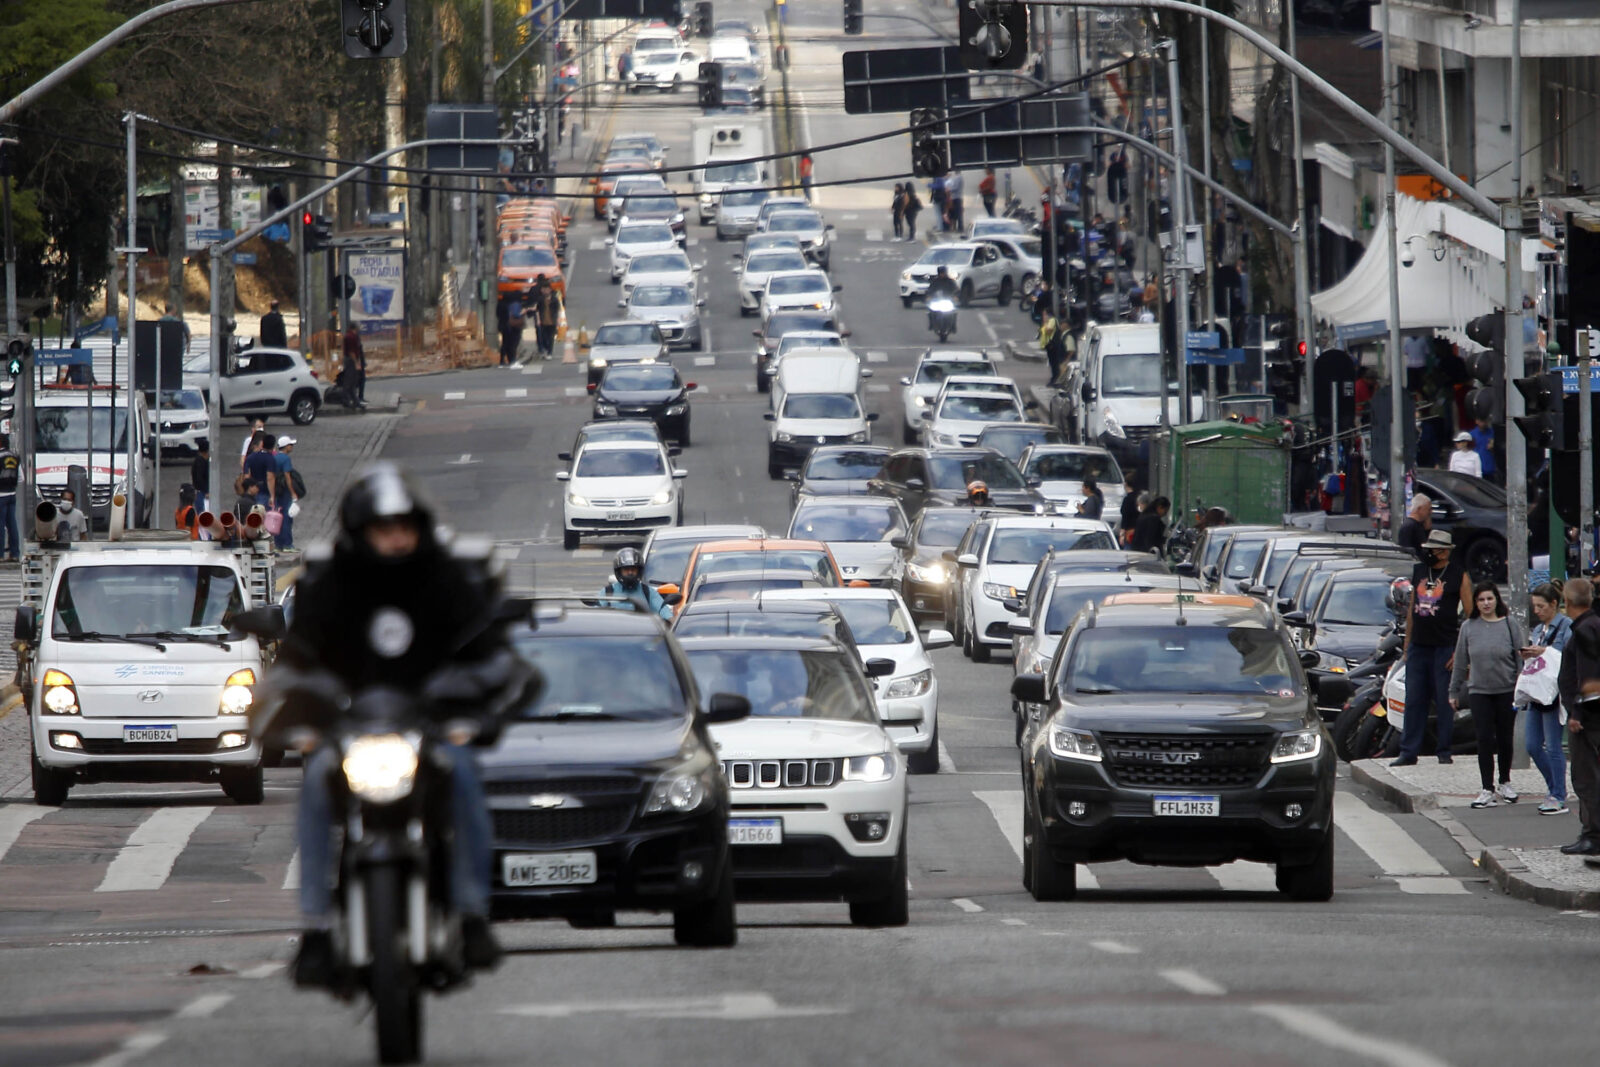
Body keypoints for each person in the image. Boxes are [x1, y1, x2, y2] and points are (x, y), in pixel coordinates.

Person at [280, 464, 522, 985]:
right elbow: (297, 660)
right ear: (360, 532)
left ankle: (473, 913)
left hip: (428, 727)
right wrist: (290, 709)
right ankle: (316, 926)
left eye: (405, 527)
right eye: (384, 529)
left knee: (463, 777)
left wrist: (473, 699)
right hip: (352, 729)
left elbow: (485, 650)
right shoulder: (332, 583)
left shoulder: (444, 578)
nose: (396, 539)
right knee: (317, 787)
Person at [1393, 529, 1473, 767]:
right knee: (1414, 699)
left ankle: (1444, 751)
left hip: (1444, 648)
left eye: (1433, 549)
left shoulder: (1459, 575)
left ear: (1445, 552)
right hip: (1419, 646)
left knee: (1445, 700)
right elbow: (1411, 611)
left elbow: (1470, 616)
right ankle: (1408, 751)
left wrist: (1461, 654)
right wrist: (1407, 646)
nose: (1428, 553)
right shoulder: (1419, 571)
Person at [1449, 582, 1527, 807]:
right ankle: (1487, 788)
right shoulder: (1468, 627)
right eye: (1481, 600)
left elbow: (1519, 657)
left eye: (1490, 599)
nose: (1486, 604)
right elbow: (1461, 662)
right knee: (1483, 738)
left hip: (1506, 690)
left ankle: (1505, 782)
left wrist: (1521, 687)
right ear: (1475, 603)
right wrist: (1453, 691)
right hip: (1479, 691)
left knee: (1504, 737)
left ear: (1497, 600)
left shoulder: (1509, 624)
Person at [1522, 583, 1574, 815]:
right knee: (1532, 744)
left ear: (1554, 604)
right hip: (1537, 690)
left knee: (1553, 745)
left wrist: (1543, 652)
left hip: (1554, 691)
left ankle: (1558, 794)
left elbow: (1568, 656)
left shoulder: (1566, 626)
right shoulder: (1537, 630)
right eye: (1535, 607)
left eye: (1541, 606)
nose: (1537, 611)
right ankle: (1553, 788)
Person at [1558, 578, 1600, 855]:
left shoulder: (1586, 630)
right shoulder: (1592, 625)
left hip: (1589, 719)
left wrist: (1576, 713)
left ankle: (1593, 835)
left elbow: (1587, 678)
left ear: (1568, 602)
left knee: (1586, 777)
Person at [599, 547, 672, 620]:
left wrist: (671, 622)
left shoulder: (648, 592)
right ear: (619, 571)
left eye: (633, 569)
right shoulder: (607, 592)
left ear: (639, 571)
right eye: (626, 569)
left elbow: (665, 614)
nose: (630, 572)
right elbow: (596, 616)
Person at [273, 436, 301, 550]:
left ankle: (278, 543)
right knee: (286, 517)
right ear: (286, 447)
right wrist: (293, 492)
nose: (292, 446)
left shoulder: (275, 458)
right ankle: (287, 544)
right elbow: (288, 477)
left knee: (278, 516)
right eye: (290, 445)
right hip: (285, 492)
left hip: (276, 491)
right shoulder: (285, 459)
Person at [0, 434, 18, 562]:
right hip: (12, 494)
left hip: (0, 495)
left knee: (0, 526)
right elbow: (21, 477)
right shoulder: (14, 457)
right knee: (12, 525)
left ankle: (0, 554)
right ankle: (15, 553)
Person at [531, 277, 559, 358]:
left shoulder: (554, 299)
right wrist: (538, 320)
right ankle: (546, 349)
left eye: (546, 289)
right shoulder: (540, 299)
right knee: (544, 337)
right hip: (543, 320)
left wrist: (558, 321)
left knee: (551, 337)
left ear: (550, 290)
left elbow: (557, 310)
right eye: (543, 289)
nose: (544, 291)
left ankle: (549, 352)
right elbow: (537, 310)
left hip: (552, 321)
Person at [1398, 493, 1432, 560]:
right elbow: (1405, 551)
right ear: (1419, 509)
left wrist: (1428, 529)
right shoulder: (1409, 526)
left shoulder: (1420, 525)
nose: (1430, 512)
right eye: (1428, 509)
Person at [496, 289, 524, 366]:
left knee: (505, 343)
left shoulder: (500, 304)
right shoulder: (512, 305)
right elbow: (516, 315)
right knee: (512, 343)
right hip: (511, 326)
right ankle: (512, 359)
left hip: (502, 325)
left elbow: (497, 315)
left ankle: (502, 360)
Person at [341, 324, 366, 408]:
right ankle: (346, 400)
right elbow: (351, 351)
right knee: (350, 381)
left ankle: (354, 400)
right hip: (351, 360)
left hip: (350, 359)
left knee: (353, 381)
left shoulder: (349, 336)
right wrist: (356, 362)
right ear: (354, 328)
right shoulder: (351, 337)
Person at [190, 438, 211, 516]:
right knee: (203, 514)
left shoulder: (198, 460)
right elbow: (199, 479)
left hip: (200, 491)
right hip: (201, 493)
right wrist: (206, 491)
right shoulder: (200, 462)